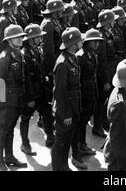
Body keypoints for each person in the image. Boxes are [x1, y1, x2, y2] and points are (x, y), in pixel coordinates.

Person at [51, 27, 84, 171]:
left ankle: (63, 166)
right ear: (73, 44)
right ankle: (58, 167)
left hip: (73, 105)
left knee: (67, 139)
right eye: (79, 41)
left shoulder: (73, 58)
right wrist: (65, 115)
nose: (82, 43)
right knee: (61, 141)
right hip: (65, 109)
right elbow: (60, 92)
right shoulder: (62, 63)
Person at [20, 24, 55, 154]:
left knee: (46, 112)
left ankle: (50, 136)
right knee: (26, 117)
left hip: (41, 90)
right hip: (31, 92)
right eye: (38, 37)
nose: (40, 39)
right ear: (31, 39)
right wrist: (29, 98)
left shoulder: (37, 50)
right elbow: (25, 79)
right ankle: (25, 144)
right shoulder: (25, 55)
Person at [0, 25, 28, 171]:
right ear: (9, 40)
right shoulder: (5, 56)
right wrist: (2, 103)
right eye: (17, 37)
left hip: (17, 99)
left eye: (21, 36)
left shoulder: (19, 54)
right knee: (3, 131)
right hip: (7, 101)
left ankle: (9, 156)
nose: (20, 39)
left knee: (10, 129)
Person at [77, 29, 102, 157]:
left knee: (85, 119)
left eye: (98, 42)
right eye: (94, 42)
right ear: (87, 42)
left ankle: (82, 143)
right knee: (81, 121)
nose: (97, 44)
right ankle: (79, 145)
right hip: (83, 93)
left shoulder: (92, 55)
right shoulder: (80, 57)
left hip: (91, 92)